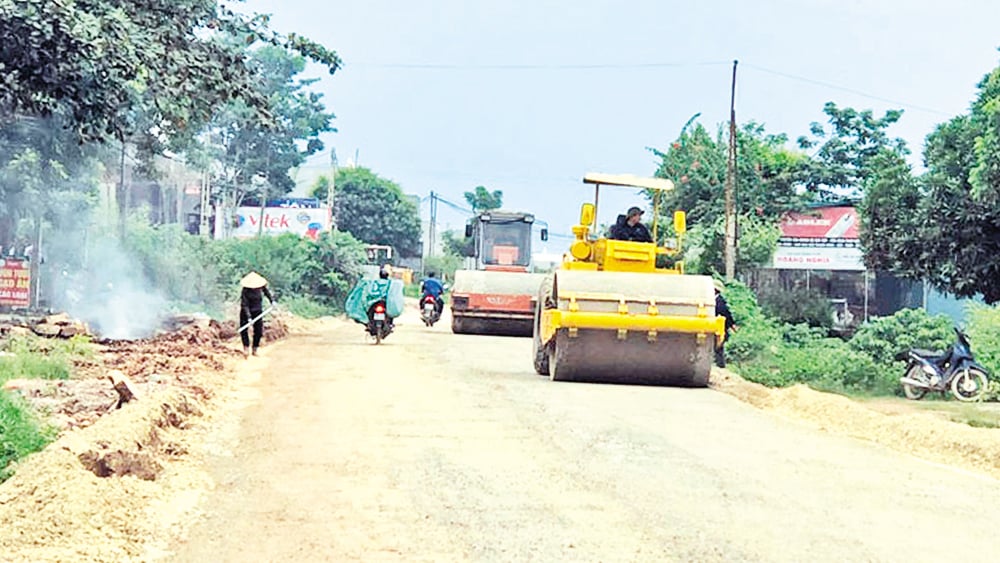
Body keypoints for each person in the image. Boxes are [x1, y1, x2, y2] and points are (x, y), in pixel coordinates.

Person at [239, 271, 274, 357]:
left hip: (258, 311)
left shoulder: (261, 287)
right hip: (246, 312)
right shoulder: (245, 291)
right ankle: (246, 348)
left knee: (258, 331)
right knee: (244, 330)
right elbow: (244, 304)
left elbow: (266, 292)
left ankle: (255, 349)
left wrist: (272, 301)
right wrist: (249, 318)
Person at [714, 279, 737, 368]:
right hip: (716, 328)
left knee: (718, 349)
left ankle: (720, 366)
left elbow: (727, 315)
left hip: (720, 330)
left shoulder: (720, 302)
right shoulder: (714, 300)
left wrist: (732, 325)